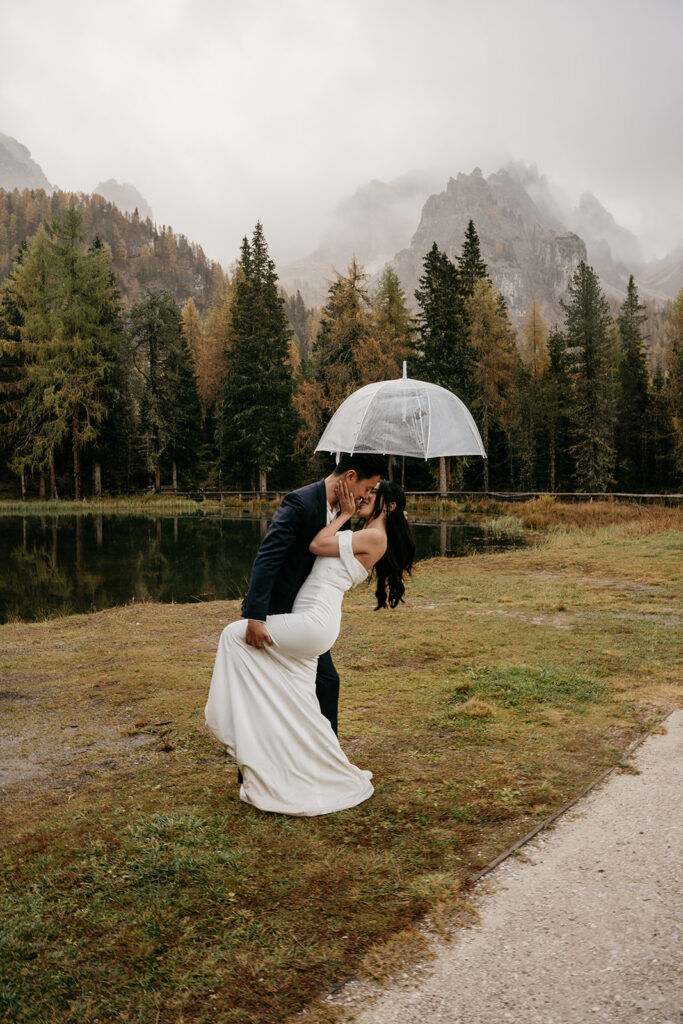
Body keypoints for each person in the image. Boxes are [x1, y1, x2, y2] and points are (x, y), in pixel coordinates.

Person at [205, 477, 415, 816]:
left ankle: (231, 721)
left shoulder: (374, 535)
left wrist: (343, 515)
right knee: (302, 707)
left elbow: (318, 544)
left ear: (388, 506)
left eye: (374, 494)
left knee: (234, 635)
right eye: (368, 488)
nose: (364, 496)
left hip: (314, 622)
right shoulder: (373, 533)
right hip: (311, 621)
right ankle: (304, 775)